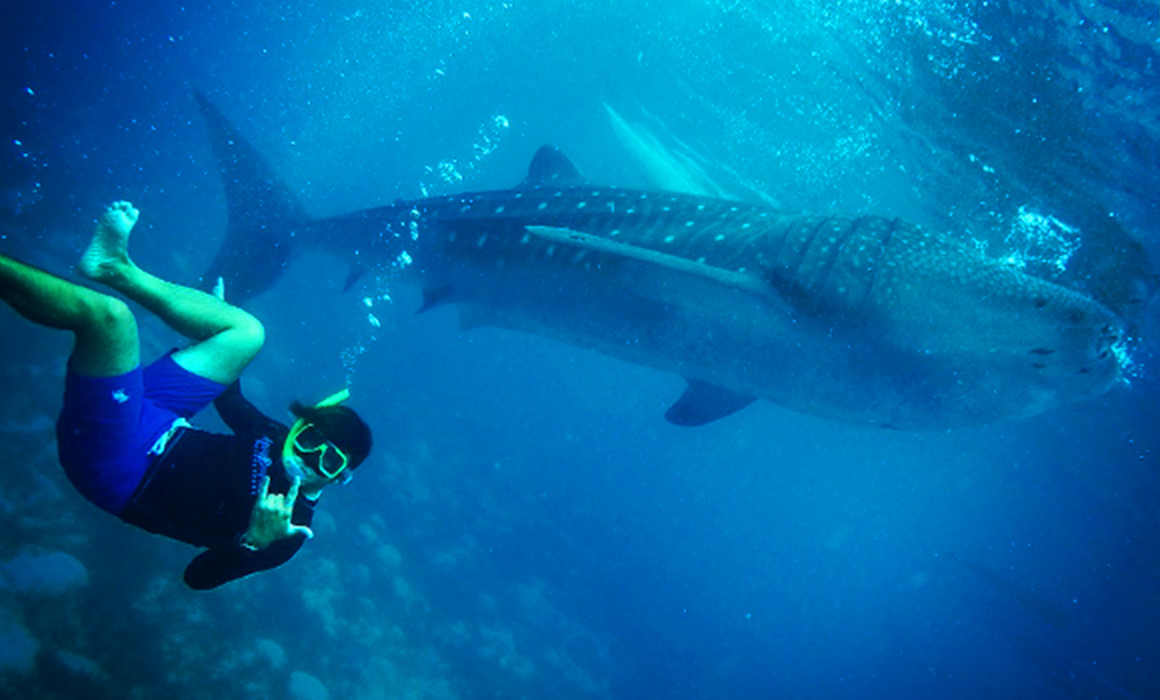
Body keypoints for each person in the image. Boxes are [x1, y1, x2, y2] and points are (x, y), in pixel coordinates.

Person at [0, 201, 372, 590]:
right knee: (247, 333)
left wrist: (255, 541)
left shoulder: (288, 531)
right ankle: (114, 267)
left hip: (121, 468)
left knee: (108, 318)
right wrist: (217, 323)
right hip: (162, 417)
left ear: (340, 477)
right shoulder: (278, 439)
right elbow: (232, 403)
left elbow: (198, 577)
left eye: (328, 461)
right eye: (311, 439)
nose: (309, 457)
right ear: (299, 428)